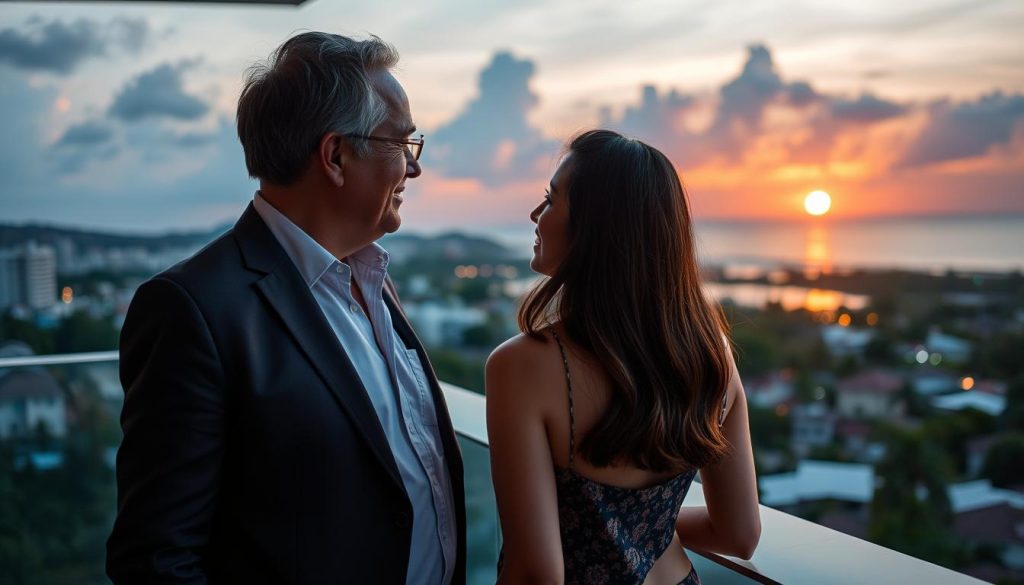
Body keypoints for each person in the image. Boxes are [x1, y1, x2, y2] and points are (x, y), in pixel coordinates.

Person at [106, 32, 465, 585]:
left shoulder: (372, 282)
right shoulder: (193, 309)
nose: (414, 169)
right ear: (336, 155)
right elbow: (157, 559)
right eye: (402, 143)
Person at [486, 130, 761, 585]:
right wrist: (641, 527)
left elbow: (537, 573)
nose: (536, 215)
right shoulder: (712, 354)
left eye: (551, 200)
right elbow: (739, 534)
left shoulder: (521, 366)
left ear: (595, 226)